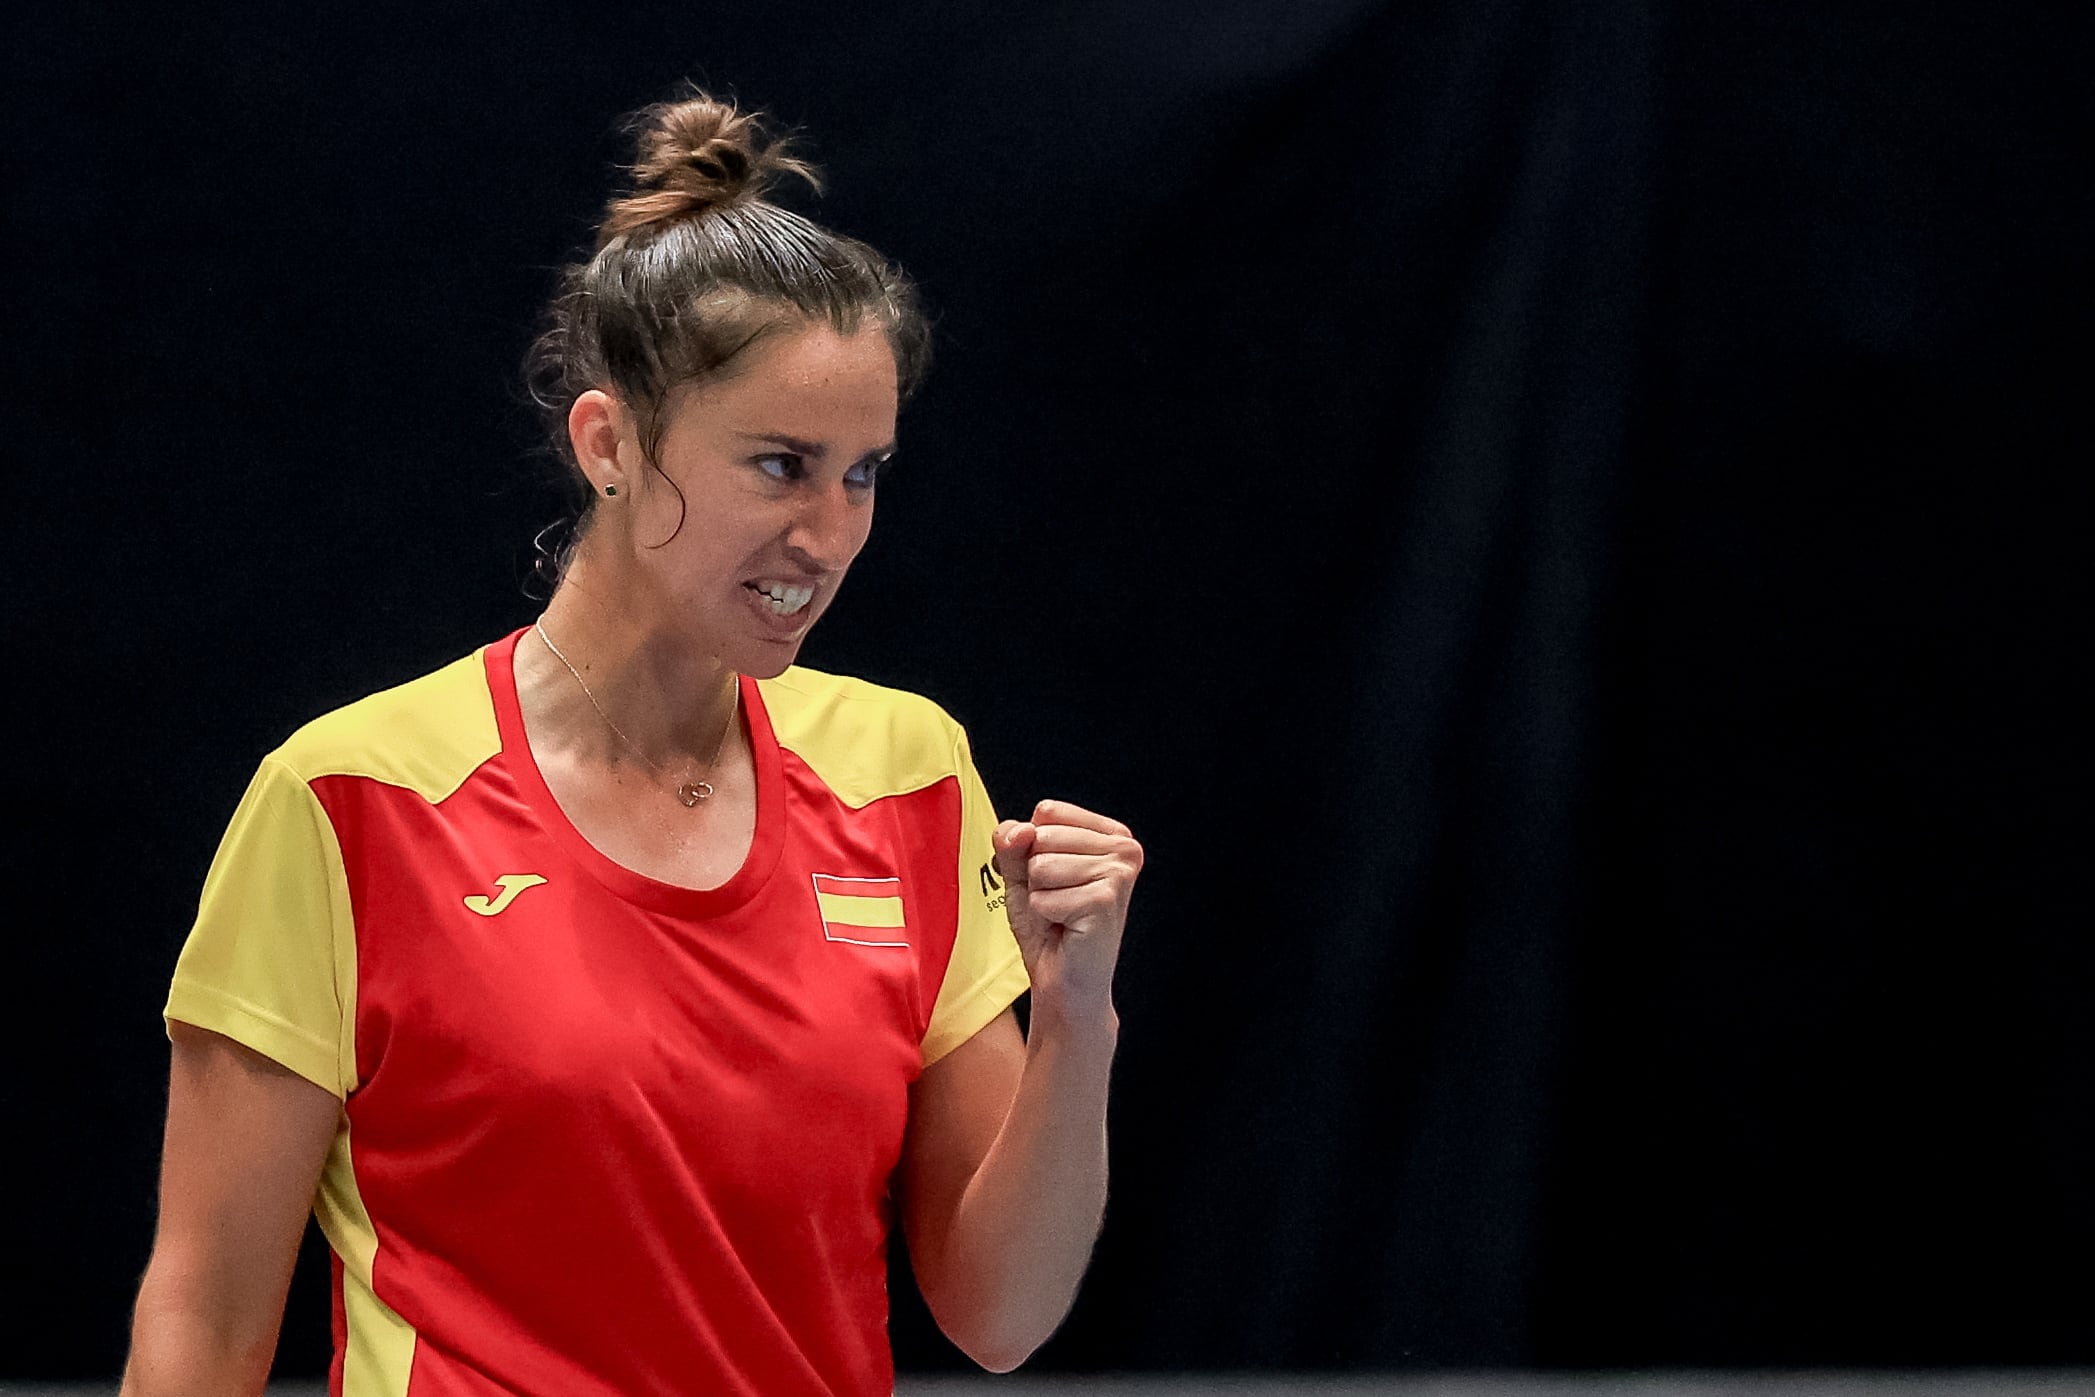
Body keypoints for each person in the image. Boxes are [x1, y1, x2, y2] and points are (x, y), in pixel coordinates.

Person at [122, 91, 1143, 1397]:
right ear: (608, 442)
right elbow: (203, 1329)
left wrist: (1076, 1014)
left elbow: (1001, 1310)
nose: (828, 534)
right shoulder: (346, 800)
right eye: (780, 464)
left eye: (864, 472)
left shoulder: (909, 770)